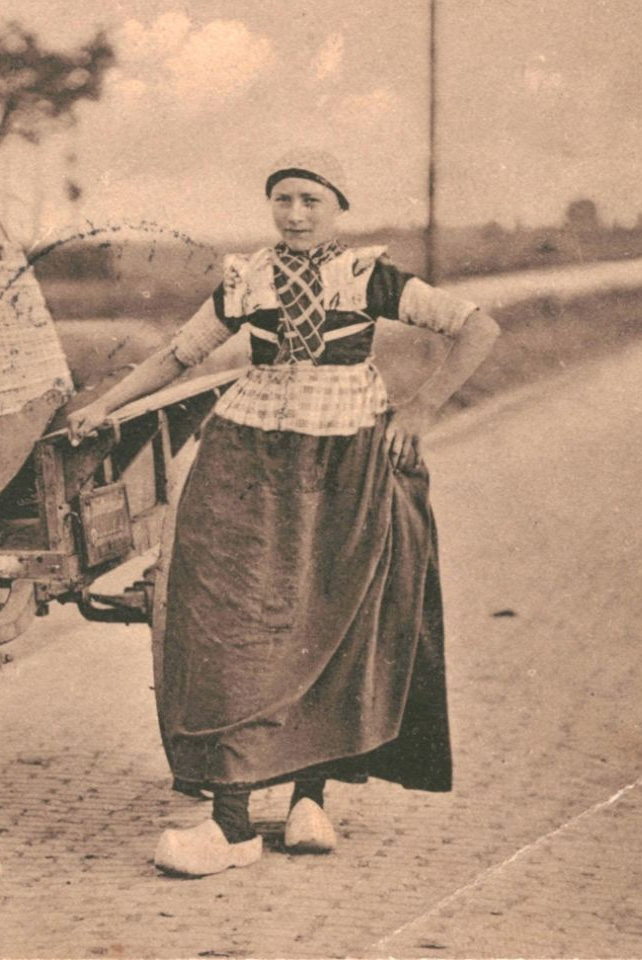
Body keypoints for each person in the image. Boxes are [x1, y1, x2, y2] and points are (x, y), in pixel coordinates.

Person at [67, 150, 500, 877]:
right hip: (247, 459)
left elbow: (477, 327)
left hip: (345, 459)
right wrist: (105, 405)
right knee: (231, 625)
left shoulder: (370, 276)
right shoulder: (246, 280)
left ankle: (308, 799)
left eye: (310, 200)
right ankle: (231, 823)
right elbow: (177, 356)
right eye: (282, 200)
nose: (295, 214)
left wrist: (421, 406)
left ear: (337, 208)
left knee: (326, 620)